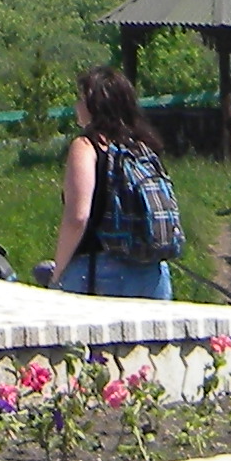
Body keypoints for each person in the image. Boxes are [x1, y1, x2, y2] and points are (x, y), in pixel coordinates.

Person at [42, 65, 176, 300]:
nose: (76, 105)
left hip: (99, 271)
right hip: (153, 274)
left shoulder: (86, 147)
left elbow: (78, 218)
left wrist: (58, 274)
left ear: (94, 106)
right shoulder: (144, 146)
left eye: (81, 99)